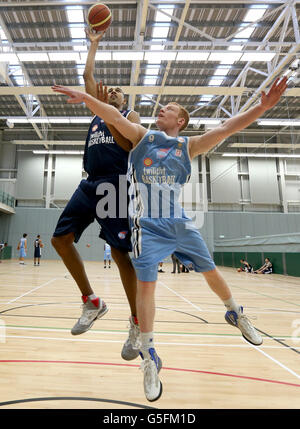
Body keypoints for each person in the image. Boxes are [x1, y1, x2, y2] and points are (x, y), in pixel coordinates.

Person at [52, 75, 287, 402]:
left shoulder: (188, 146)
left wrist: (262, 107)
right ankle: (149, 357)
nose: (160, 110)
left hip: (178, 223)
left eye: (168, 109)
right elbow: (114, 117)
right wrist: (87, 98)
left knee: (212, 273)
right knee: (147, 288)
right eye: (160, 108)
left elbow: (227, 128)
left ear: (180, 121)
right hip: (147, 226)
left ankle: (236, 312)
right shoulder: (142, 137)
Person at [51, 29, 141, 362]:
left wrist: (111, 112)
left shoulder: (131, 118)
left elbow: (126, 145)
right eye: (110, 90)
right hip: (89, 183)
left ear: (124, 101)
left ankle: (135, 321)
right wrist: (94, 43)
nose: (112, 91)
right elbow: (88, 76)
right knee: (60, 239)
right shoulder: (97, 113)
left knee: (119, 254)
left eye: (118, 92)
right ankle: (92, 301)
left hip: (115, 185)